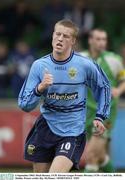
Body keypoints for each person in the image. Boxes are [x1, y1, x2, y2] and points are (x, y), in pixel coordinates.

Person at [18, 20, 111, 173]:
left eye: (66, 36)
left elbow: (104, 86)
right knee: (40, 177)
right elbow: (24, 104)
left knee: (55, 176)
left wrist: (100, 116)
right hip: (45, 127)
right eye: (58, 34)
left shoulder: (85, 65)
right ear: (53, 36)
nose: (60, 39)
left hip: (73, 131)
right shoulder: (39, 66)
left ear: (73, 41)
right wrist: (40, 88)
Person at [80, 28, 125, 172]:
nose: (101, 42)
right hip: (86, 112)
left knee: (91, 154)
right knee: (99, 156)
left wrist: (118, 90)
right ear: (90, 40)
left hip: (106, 112)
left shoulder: (114, 60)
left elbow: (123, 79)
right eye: (98, 39)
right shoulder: (80, 58)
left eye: (104, 39)